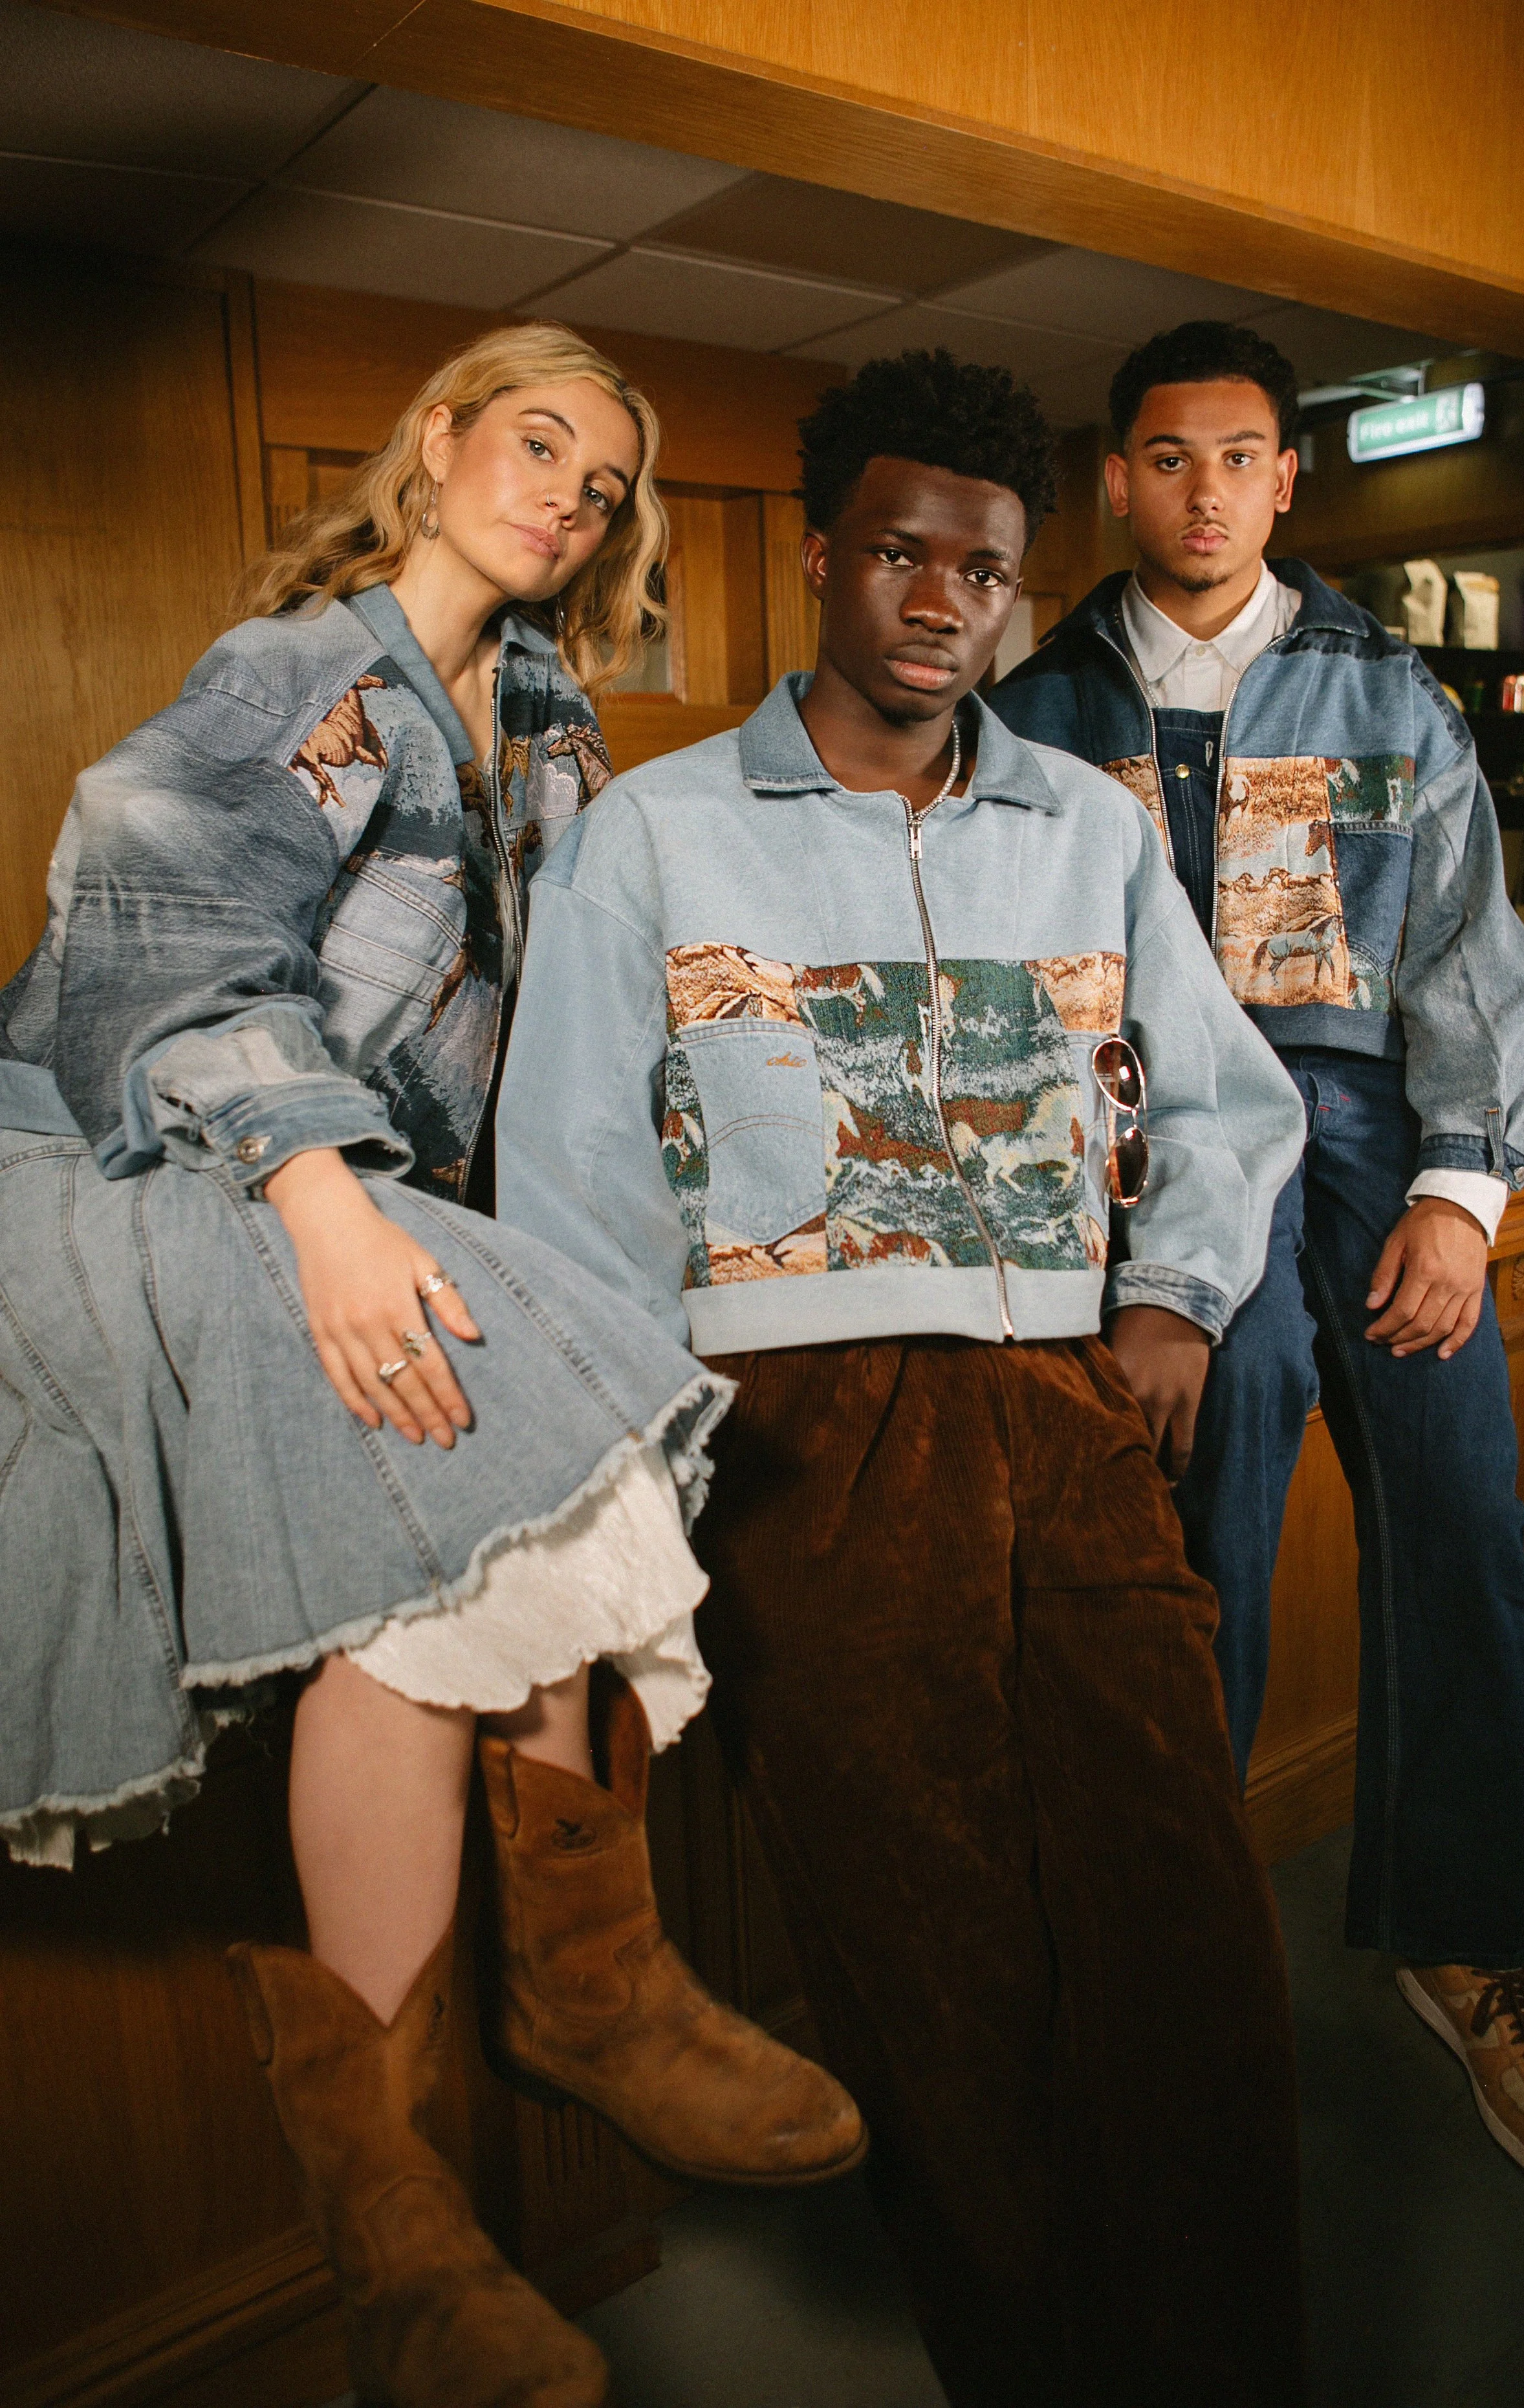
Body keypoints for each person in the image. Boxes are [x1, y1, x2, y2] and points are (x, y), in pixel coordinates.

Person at [0, 323, 864, 2408]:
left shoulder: (543, 724)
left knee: (520, 1465)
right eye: (536, 443)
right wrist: (321, 1205)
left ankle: (580, 1995)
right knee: (439, 1457)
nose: (565, 495)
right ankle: (390, 2198)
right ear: (435, 438)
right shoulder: (300, 669)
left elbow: (596, 996)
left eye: (603, 482)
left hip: (345, 1175)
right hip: (134, 1159)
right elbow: (154, 917)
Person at [497, 347, 1310, 2408]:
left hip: (1064, 1409)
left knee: (1180, 1917)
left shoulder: (1088, 830)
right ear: (823, 559)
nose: (940, 600)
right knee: (928, 1955)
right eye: (897, 554)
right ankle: (1025, 2361)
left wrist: (1169, 1299)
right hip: (807, 1444)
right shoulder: (655, 835)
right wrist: (660, 1468)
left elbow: (1228, 1101)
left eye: (983, 569)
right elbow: (573, 1179)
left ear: (1019, 587)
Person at [990, 317, 1524, 2187]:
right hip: (1161, 1154)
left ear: (1286, 478)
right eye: (1168, 458)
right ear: (1118, 480)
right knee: (1201, 1539)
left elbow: (1467, 955)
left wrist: (1459, 1194)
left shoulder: (1385, 692)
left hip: (1365, 1131)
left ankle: (1455, 1933)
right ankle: (1180, 1956)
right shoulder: (1038, 708)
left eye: (1240, 456)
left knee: (1465, 1521)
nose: (1205, 493)